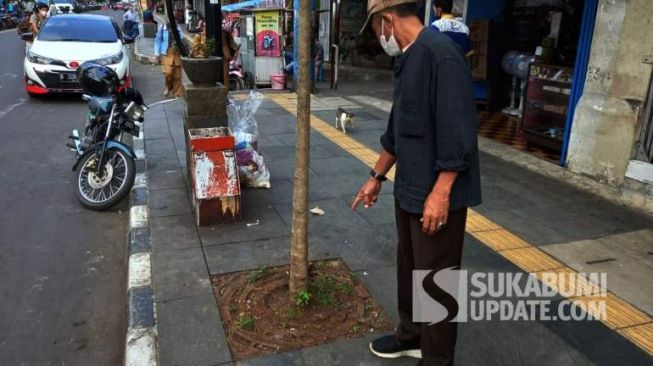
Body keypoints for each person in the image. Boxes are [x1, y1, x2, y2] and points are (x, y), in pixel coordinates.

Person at [353, 1, 481, 365]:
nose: (379, 37)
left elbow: (459, 134)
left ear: (388, 20)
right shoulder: (409, 58)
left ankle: (437, 357)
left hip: (436, 193)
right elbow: (397, 129)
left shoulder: (442, 57)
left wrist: (440, 193)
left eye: (377, 28)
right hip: (409, 188)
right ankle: (411, 335)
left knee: (436, 280)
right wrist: (375, 177)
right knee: (409, 266)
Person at [154, 21, 184, 97]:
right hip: (167, 52)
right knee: (168, 73)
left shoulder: (178, 27)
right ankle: (168, 86)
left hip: (176, 52)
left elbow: (182, 39)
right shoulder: (162, 27)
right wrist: (157, 53)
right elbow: (158, 41)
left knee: (177, 75)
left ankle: (176, 93)